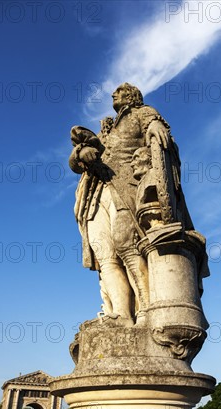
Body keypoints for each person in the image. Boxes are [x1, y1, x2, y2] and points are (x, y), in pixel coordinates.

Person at [69, 83, 174, 326]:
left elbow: (155, 125)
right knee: (105, 255)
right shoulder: (105, 129)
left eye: (119, 91)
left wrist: (157, 127)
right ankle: (121, 315)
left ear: (131, 95)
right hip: (94, 195)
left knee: (127, 245)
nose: (113, 94)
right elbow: (74, 164)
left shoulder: (141, 112)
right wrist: (81, 153)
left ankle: (147, 311)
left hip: (125, 188)